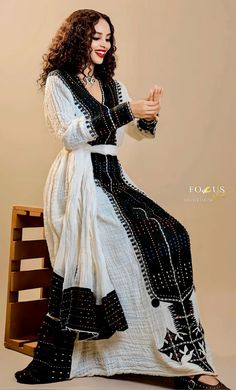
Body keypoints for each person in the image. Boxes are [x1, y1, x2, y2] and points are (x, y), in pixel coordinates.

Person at [14, 9, 230, 389]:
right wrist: (126, 111)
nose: (104, 44)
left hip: (114, 177)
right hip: (79, 181)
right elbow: (70, 135)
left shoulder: (113, 83)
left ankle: (183, 351)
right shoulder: (57, 82)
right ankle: (134, 348)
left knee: (174, 234)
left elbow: (137, 133)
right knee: (119, 241)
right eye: (96, 36)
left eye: (108, 37)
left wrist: (148, 115)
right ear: (77, 37)